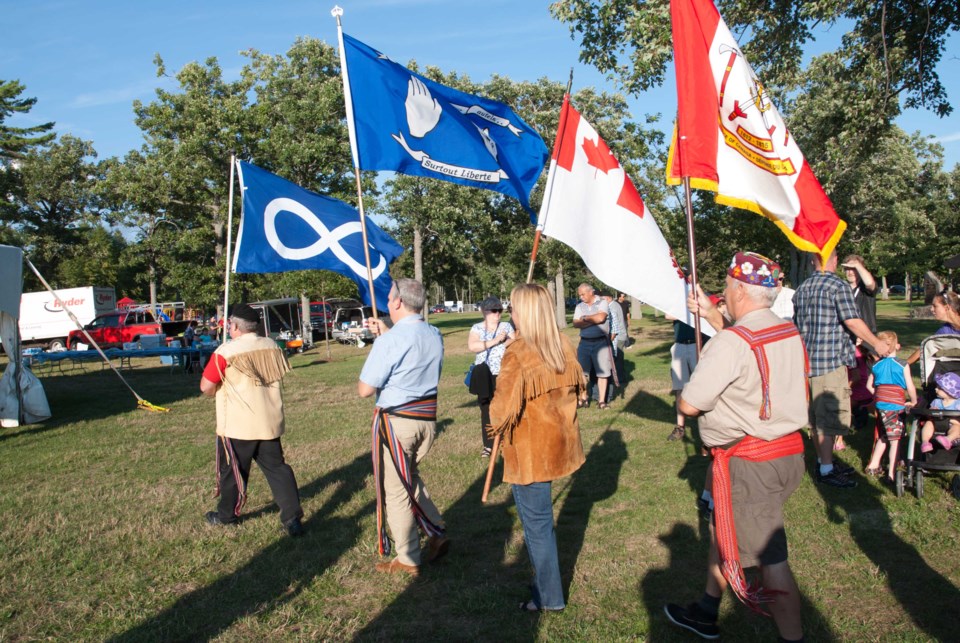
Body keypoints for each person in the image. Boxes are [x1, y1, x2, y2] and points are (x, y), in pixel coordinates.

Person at [665, 252, 807, 642]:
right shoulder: (786, 330)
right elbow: (748, 343)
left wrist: (713, 342)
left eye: (727, 287)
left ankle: (792, 637)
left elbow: (689, 403)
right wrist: (713, 317)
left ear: (742, 290)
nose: (723, 293)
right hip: (786, 453)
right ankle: (708, 610)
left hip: (750, 463)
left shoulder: (732, 342)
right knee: (723, 527)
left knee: (769, 558)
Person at [489, 283, 586, 612]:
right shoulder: (562, 342)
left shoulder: (518, 352)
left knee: (538, 527)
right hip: (561, 444)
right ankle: (548, 590)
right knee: (541, 523)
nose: (510, 313)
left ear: (524, 312)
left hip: (531, 453)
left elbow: (500, 412)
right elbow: (578, 391)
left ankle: (549, 597)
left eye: (513, 307)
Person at [359, 278, 447, 576]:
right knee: (410, 478)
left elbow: (365, 389)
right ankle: (436, 531)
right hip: (427, 421)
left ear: (397, 302)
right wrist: (386, 334)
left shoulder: (390, 341)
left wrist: (383, 343)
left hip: (397, 424)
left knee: (396, 491)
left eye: (389, 298)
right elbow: (411, 348)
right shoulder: (435, 333)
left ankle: (407, 557)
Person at [200, 303, 304, 537]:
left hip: (238, 424)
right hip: (268, 420)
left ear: (234, 326)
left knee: (233, 472)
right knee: (278, 470)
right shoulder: (272, 346)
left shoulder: (226, 352)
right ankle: (292, 517)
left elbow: (205, 387)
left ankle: (227, 515)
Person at [793, 251, 891, 488]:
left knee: (816, 419)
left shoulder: (803, 288)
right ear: (833, 260)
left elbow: (797, 325)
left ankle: (823, 462)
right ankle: (826, 471)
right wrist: (876, 342)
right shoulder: (837, 285)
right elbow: (852, 320)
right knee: (828, 419)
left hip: (806, 362)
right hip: (829, 362)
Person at [864, 331, 917, 482]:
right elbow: (910, 386)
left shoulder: (876, 365)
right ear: (896, 346)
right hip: (895, 405)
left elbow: (869, 386)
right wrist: (913, 401)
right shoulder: (902, 364)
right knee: (895, 439)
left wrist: (879, 395)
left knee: (884, 435)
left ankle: (873, 465)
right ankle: (892, 473)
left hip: (881, 405)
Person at [467, 296, 515, 458]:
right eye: (494, 310)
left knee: (505, 406)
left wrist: (505, 340)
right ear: (484, 312)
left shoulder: (506, 326)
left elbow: (515, 342)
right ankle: (488, 444)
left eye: (500, 310)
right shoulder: (477, 328)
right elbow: (473, 346)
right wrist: (495, 341)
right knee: (486, 409)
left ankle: (506, 439)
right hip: (484, 374)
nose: (498, 314)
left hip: (503, 372)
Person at [573, 283, 613, 409]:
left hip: (601, 342)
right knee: (582, 373)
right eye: (579, 295)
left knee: (603, 372)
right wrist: (592, 319)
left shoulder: (602, 302)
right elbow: (575, 323)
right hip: (584, 342)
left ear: (591, 292)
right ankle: (583, 398)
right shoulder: (579, 306)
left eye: (583, 294)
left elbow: (601, 318)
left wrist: (584, 318)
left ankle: (601, 401)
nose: (581, 297)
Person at [906, 290, 960, 366]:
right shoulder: (945, 331)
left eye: (935, 306)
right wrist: (903, 365)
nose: (931, 309)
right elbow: (926, 349)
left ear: (947, 307)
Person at [919, 372, 960, 453]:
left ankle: (948, 439)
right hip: (936, 424)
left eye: (939, 388)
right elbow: (929, 414)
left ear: (949, 391)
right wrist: (932, 410)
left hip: (953, 424)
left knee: (957, 427)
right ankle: (925, 442)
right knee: (929, 423)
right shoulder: (936, 402)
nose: (936, 389)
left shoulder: (958, 403)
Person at [841, 254, 878, 335]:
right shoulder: (842, 289)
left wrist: (858, 265)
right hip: (847, 337)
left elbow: (870, 283)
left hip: (866, 337)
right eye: (847, 269)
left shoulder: (864, 288)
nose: (850, 272)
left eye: (854, 269)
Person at [602, 291, 627, 398]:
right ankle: (620, 378)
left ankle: (620, 379)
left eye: (602, 299)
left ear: (607, 298)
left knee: (617, 359)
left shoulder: (612, 307)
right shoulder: (615, 304)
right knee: (617, 359)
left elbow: (614, 324)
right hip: (620, 334)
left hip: (618, 336)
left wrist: (610, 338)